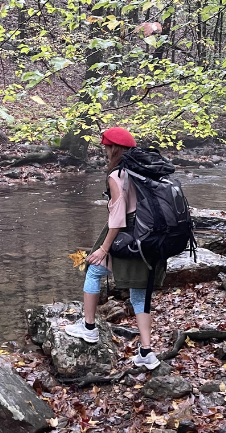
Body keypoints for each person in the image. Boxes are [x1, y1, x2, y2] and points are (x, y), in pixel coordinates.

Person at [64, 127, 166, 370]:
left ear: (115, 148)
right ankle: (147, 352)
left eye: (106, 147)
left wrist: (103, 249)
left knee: (93, 270)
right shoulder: (143, 171)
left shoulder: (117, 175)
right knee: (140, 293)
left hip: (128, 237)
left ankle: (89, 328)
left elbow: (118, 218)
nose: (105, 151)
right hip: (151, 237)